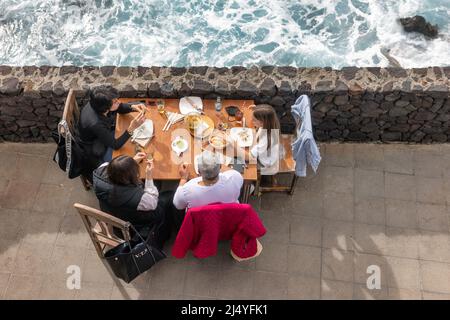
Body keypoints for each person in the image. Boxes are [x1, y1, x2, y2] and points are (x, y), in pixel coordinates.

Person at [92, 154, 174, 249]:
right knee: (169, 195)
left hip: (112, 211)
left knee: (156, 185)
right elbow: (153, 203)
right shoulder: (137, 198)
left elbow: (115, 169)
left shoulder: (100, 171)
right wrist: (149, 177)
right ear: (128, 178)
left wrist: (131, 163)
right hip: (135, 221)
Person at [79, 86, 146, 171]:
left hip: (104, 132)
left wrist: (132, 107)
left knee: (130, 140)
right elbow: (115, 145)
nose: (119, 102)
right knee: (128, 152)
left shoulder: (97, 102)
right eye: (115, 102)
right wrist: (131, 128)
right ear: (106, 107)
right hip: (94, 145)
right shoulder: (96, 123)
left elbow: (118, 107)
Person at [173, 151, 243, 211]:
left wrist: (183, 178)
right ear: (220, 167)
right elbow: (233, 172)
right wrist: (215, 163)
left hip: (202, 222)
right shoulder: (234, 178)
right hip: (227, 218)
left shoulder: (187, 190)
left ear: (199, 172)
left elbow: (177, 205)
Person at [236, 104, 283, 175]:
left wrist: (234, 145)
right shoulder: (271, 123)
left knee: (236, 162)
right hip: (264, 150)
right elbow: (268, 112)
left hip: (264, 162)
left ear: (262, 122)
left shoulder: (266, 139)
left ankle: (248, 182)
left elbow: (249, 157)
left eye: (254, 120)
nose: (252, 120)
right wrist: (256, 110)